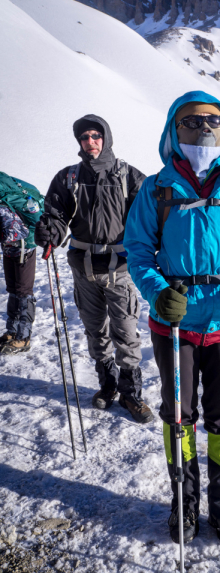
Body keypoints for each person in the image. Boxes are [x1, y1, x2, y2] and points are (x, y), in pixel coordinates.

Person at [124, 91, 220, 546]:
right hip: (175, 322)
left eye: (212, 121)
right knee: (178, 416)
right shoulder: (157, 188)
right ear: (173, 130)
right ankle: (184, 500)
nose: (203, 130)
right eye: (191, 122)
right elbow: (137, 251)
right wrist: (158, 291)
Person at [34, 114, 153, 424]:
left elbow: (150, 216)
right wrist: (51, 230)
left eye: (95, 136)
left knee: (125, 330)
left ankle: (131, 392)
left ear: (106, 137)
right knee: (94, 330)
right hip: (83, 266)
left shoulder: (129, 176)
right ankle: (108, 384)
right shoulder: (69, 177)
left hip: (120, 267)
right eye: (84, 138)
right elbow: (56, 214)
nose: (90, 142)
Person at [0, 190, 40, 355]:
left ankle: (24, 338)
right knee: (13, 291)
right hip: (10, 248)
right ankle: (12, 332)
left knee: (24, 292)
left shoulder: (3, 205)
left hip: (24, 247)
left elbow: (18, 230)